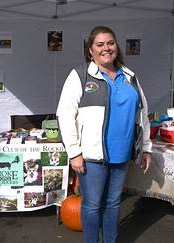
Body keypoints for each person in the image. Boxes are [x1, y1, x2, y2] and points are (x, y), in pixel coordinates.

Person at [56, 26, 152, 243]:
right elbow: (64, 115)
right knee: (92, 204)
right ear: (91, 50)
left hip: (121, 152)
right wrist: (74, 153)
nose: (106, 48)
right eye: (100, 44)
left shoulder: (130, 77)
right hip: (91, 156)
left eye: (110, 43)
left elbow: (142, 114)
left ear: (116, 46)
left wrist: (146, 148)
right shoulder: (80, 76)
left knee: (113, 203)